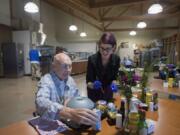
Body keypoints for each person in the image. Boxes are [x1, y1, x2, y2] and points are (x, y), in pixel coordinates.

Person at [36, 53, 98, 127]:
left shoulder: (70, 80)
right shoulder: (46, 80)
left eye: (70, 66)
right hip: (51, 122)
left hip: (67, 123)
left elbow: (77, 97)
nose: (68, 70)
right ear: (54, 67)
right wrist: (68, 112)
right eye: (65, 66)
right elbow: (41, 102)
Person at [86, 32, 120, 102]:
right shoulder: (92, 59)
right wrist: (93, 85)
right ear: (99, 46)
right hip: (94, 93)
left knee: (108, 110)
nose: (104, 52)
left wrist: (114, 83)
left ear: (113, 47)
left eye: (108, 49)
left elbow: (114, 77)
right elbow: (88, 82)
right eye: (102, 48)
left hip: (108, 91)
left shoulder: (116, 59)